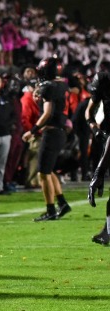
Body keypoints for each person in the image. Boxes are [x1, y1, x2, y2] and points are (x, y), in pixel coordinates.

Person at [21, 57, 72, 222]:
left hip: (52, 132)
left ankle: (50, 210)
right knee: (48, 170)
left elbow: (47, 113)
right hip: (59, 131)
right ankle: (62, 203)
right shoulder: (62, 85)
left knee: (43, 173)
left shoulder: (48, 87)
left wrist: (32, 131)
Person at [85, 71, 110, 245]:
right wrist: (95, 130)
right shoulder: (102, 83)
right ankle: (107, 232)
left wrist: (98, 173)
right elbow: (88, 112)